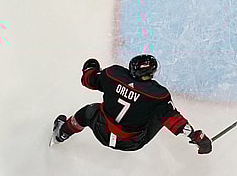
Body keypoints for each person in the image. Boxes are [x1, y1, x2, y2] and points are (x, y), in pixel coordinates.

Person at [50, 54, 212, 155]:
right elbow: (174, 120)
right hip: (132, 143)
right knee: (163, 113)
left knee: (87, 112)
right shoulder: (158, 94)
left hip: (102, 130)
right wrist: (197, 137)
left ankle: (61, 133)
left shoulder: (113, 74)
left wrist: (90, 68)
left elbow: (88, 81)